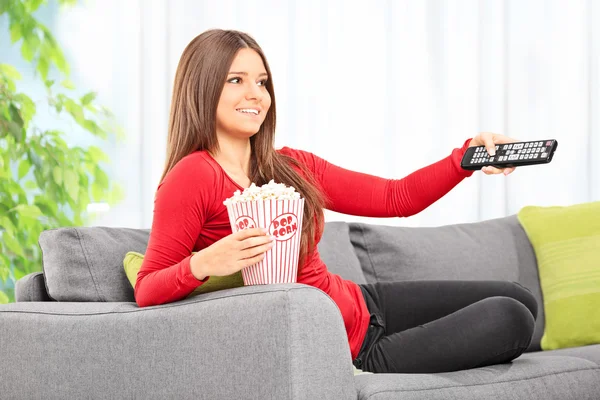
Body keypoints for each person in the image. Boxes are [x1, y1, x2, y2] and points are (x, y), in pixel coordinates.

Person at [135, 29, 538, 374]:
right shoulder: (193, 176)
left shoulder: (291, 164)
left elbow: (396, 196)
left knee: (521, 295)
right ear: (203, 87)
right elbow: (147, 287)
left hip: (362, 302)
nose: (255, 95)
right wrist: (205, 263)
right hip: (346, 348)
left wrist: (465, 156)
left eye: (262, 82)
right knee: (511, 316)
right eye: (235, 80)